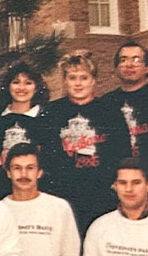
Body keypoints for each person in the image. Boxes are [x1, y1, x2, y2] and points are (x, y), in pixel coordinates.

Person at [38, 50, 124, 234]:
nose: (78, 84)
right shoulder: (52, 112)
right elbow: (44, 157)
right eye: (72, 78)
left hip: (101, 197)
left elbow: (121, 153)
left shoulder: (110, 111)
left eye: (84, 78)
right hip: (62, 197)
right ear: (65, 80)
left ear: (93, 80)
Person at [102, 40, 148, 184]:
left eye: (136, 59)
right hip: (120, 183)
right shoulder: (105, 103)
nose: (129, 65)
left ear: (147, 68)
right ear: (116, 68)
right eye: (123, 60)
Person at [0, 59, 48, 197]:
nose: (21, 88)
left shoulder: (46, 119)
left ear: (36, 88)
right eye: (16, 82)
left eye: (28, 83)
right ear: (8, 86)